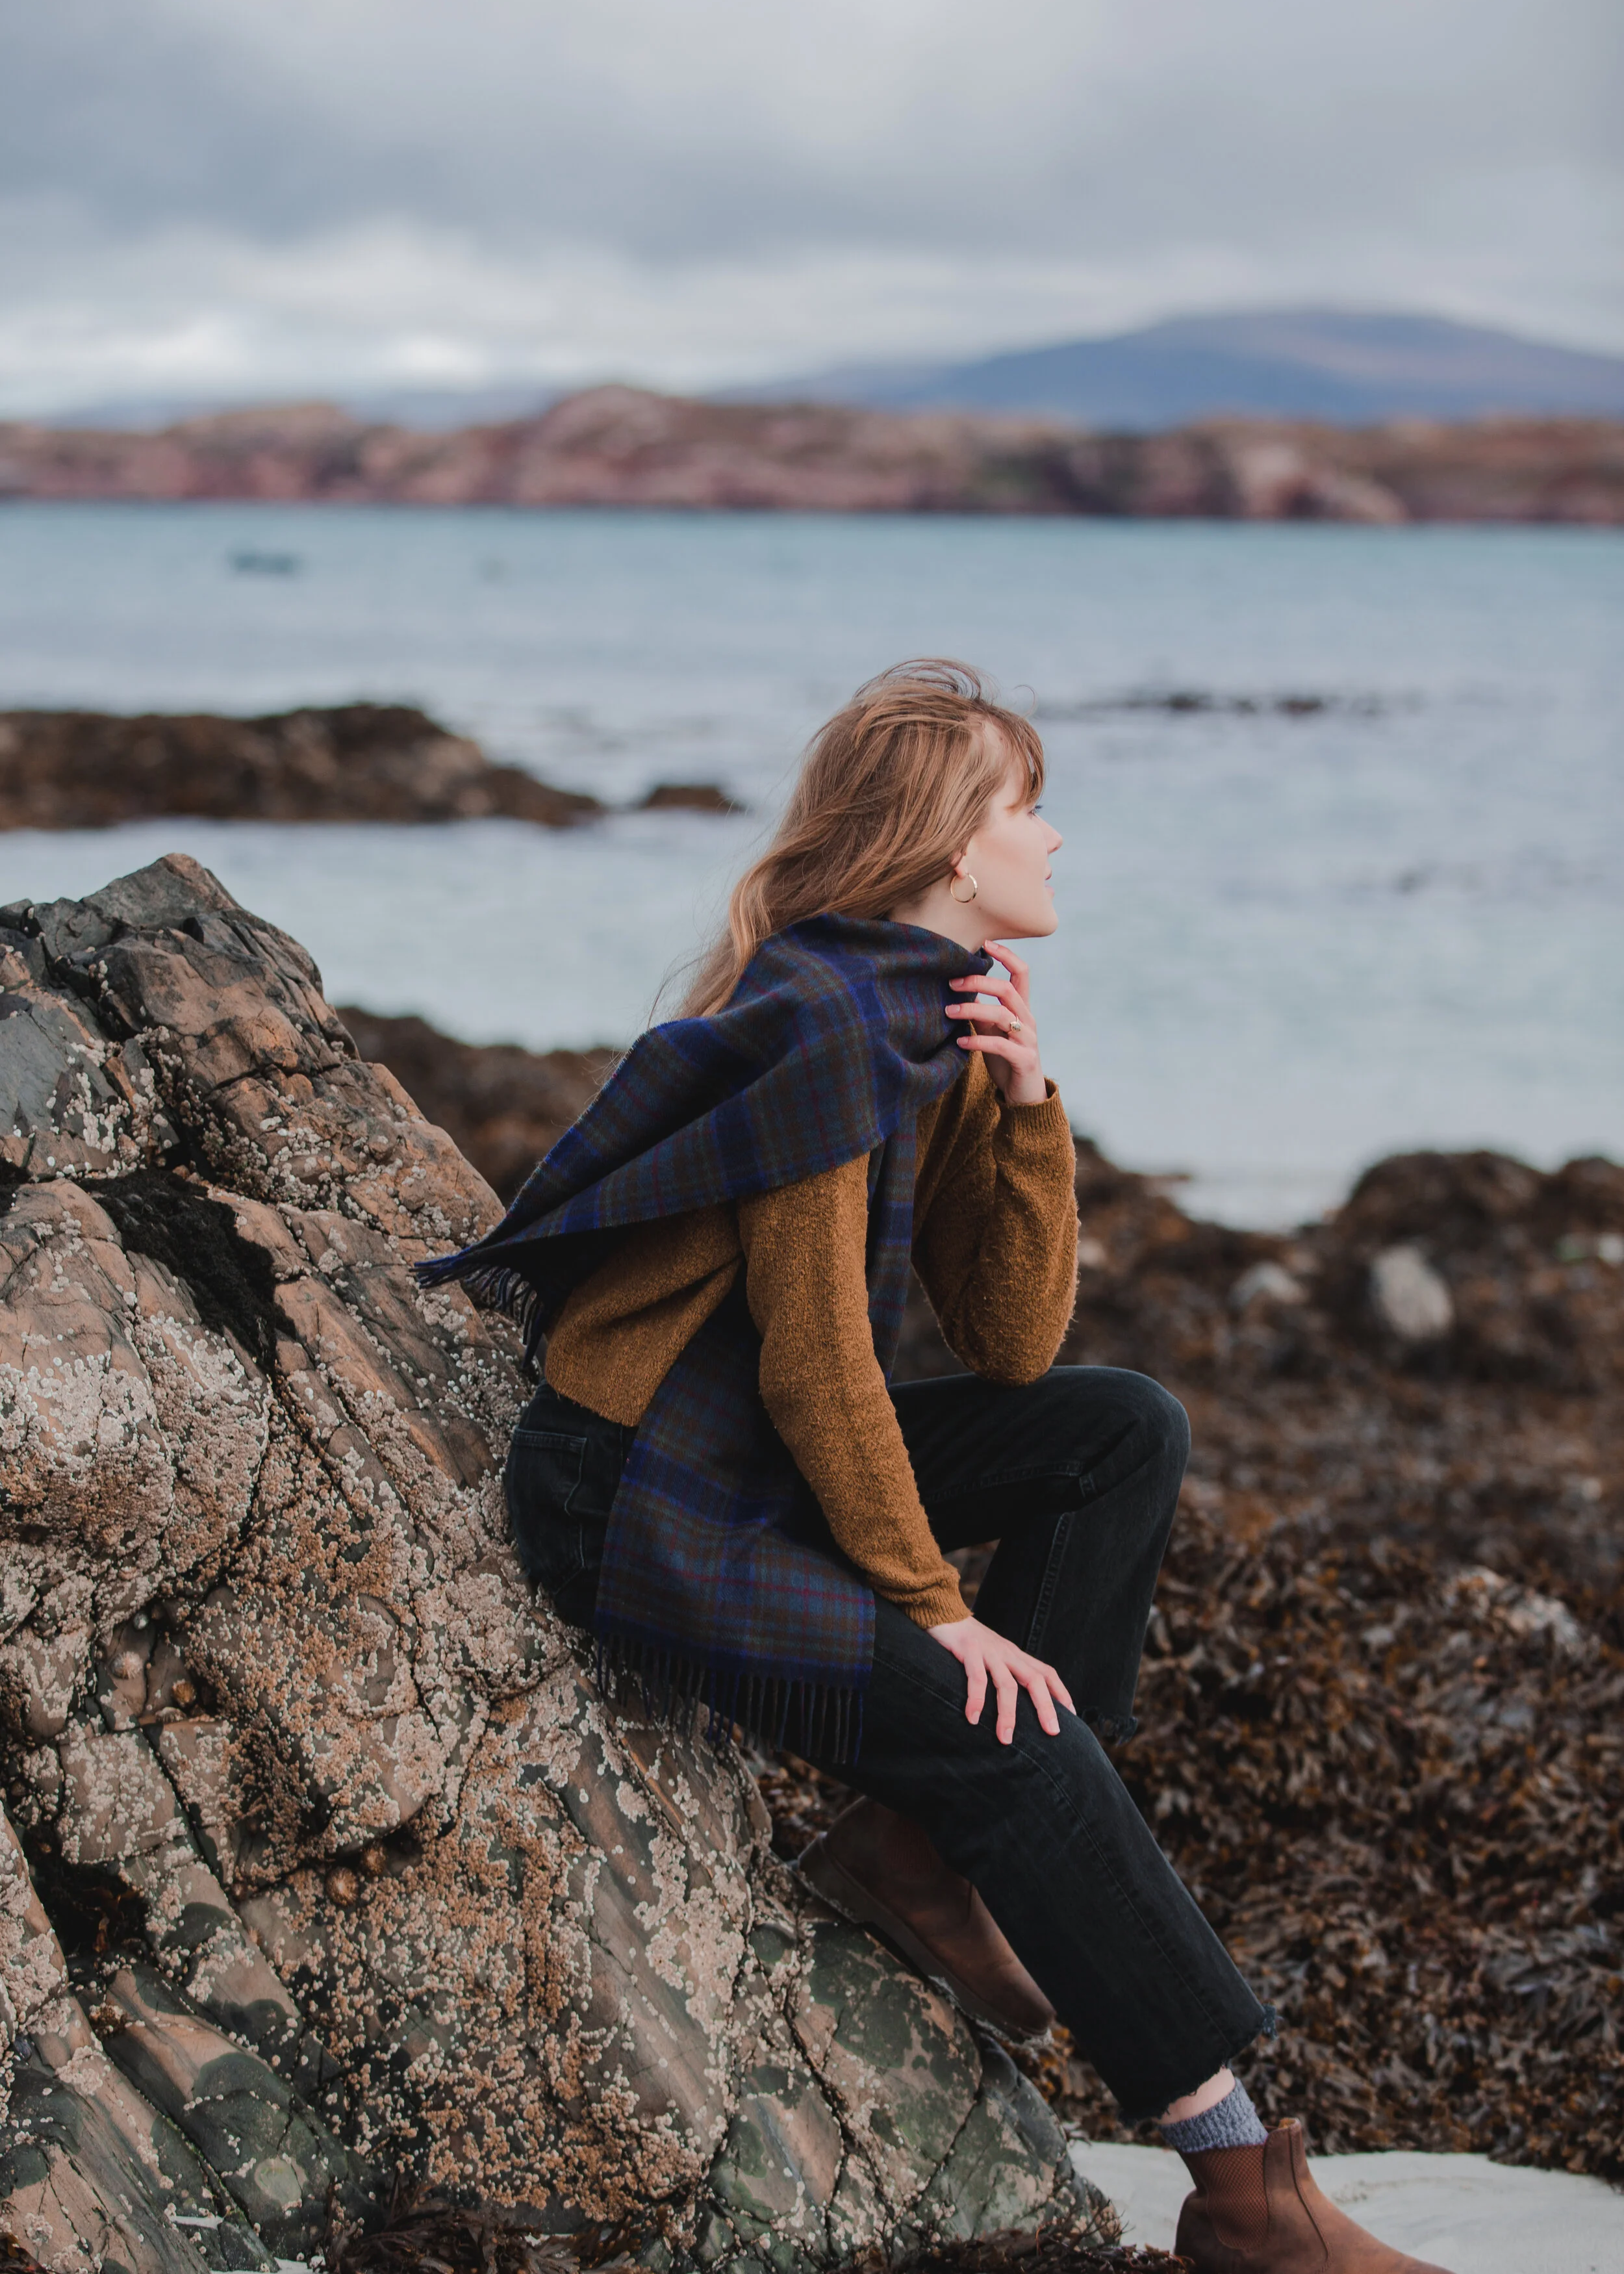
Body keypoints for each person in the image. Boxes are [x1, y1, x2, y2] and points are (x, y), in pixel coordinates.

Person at [419, 661, 1451, 2274]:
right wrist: (931, 1608)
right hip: (639, 1485)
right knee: (1014, 1731)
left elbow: (1012, 1341)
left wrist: (1026, 1107)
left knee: (1121, 1429)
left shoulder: (924, 1018)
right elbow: (814, 1347)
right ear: (955, 849)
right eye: (1025, 803)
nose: (1054, 836)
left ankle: (920, 1841)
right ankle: (1242, 2188)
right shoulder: (829, 1027)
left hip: (744, 1447)